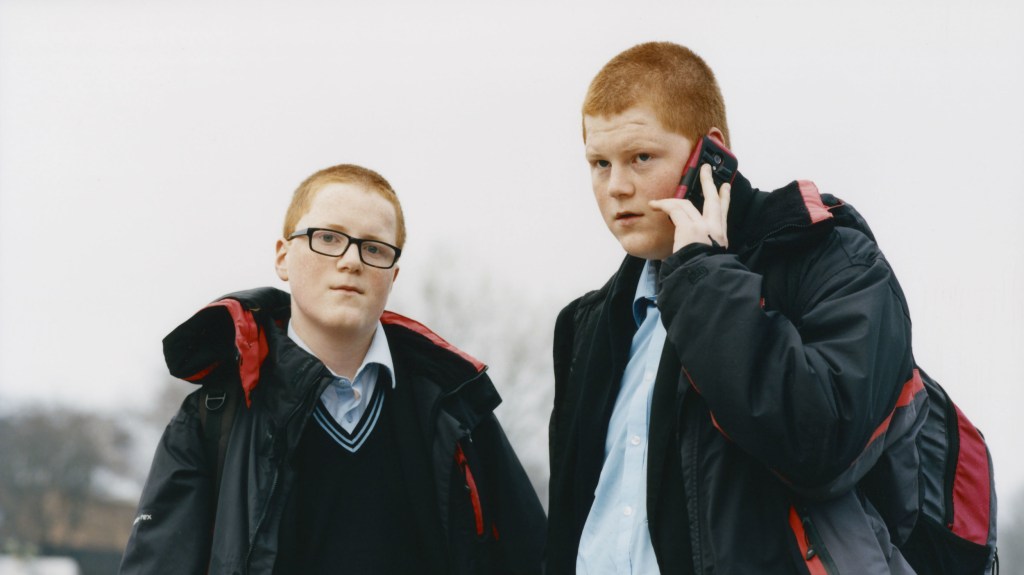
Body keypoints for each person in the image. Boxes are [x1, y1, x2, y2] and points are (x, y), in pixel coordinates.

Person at [547, 42, 926, 573]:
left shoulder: (832, 261)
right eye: (599, 163)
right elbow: (569, 522)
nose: (617, 187)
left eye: (641, 158)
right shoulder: (585, 325)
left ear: (710, 153)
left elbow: (821, 441)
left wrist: (703, 277)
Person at [120, 164, 546, 574]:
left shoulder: (456, 412)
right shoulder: (213, 418)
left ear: (393, 275)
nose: (351, 261)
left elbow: (533, 559)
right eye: (328, 238)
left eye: (374, 248)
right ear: (283, 257)